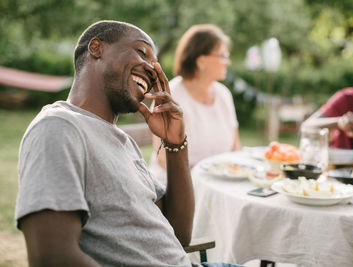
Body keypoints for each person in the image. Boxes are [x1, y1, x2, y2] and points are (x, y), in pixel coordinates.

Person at [15, 20, 241, 267]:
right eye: (142, 52)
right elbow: (53, 258)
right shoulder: (59, 127)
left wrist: (176, 144)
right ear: (96, 48)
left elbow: (178, 234)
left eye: (156, 63)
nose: (153, 69)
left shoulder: (124, 143)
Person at [149, 24, 240, 185]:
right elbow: (163, 158)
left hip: (219, 185)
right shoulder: (171, 96)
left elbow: (235, 149)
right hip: (176, 186)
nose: (228, 61)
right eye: (223, 55)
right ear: (201, 60)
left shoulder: (224, 94)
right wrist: (201, 184)